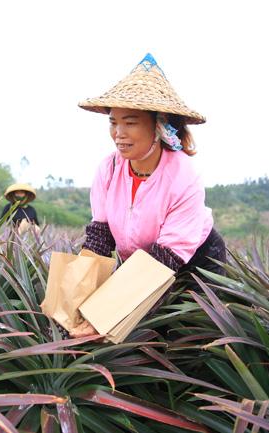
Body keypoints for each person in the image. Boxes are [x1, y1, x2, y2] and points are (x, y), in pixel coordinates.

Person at [71, 53, 227, 337]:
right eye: (113, 122)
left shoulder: (183, 177)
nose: (118, 133)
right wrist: (73, 297)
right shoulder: (109, 169)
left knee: (184, 338)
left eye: (130, 122)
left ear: (159, 125)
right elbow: (99, 239)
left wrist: (107, 312)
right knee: (120, 332)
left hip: (194, 263)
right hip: (139, 264)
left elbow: (164, 259)